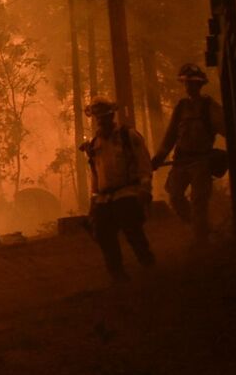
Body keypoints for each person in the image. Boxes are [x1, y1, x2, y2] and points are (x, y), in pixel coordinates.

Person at [81, 98, 156, 282]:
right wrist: (94, 198)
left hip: (127, 191)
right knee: (102, 233)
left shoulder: (128, 136)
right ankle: (117, 273)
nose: (101, 121)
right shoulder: (94, 143)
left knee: (132, 230)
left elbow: (144, 163)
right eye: (98, 118)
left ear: (111, 116)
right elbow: (96, 172)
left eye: (104, 117)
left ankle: (148, 265)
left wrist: (145, 189)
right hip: (104, 197)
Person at [152, 63, 224, 242]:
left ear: (200, 85)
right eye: (186, 83)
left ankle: (201, 240)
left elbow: (227, 128)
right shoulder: (181, 107)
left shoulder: (210, 107)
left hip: (202, 161)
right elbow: (170, 137)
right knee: (175, 197)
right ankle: (201, 228)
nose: (189, 87)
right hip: (181, 161)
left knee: (199, 201)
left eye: (192, 83)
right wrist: (158, 158)